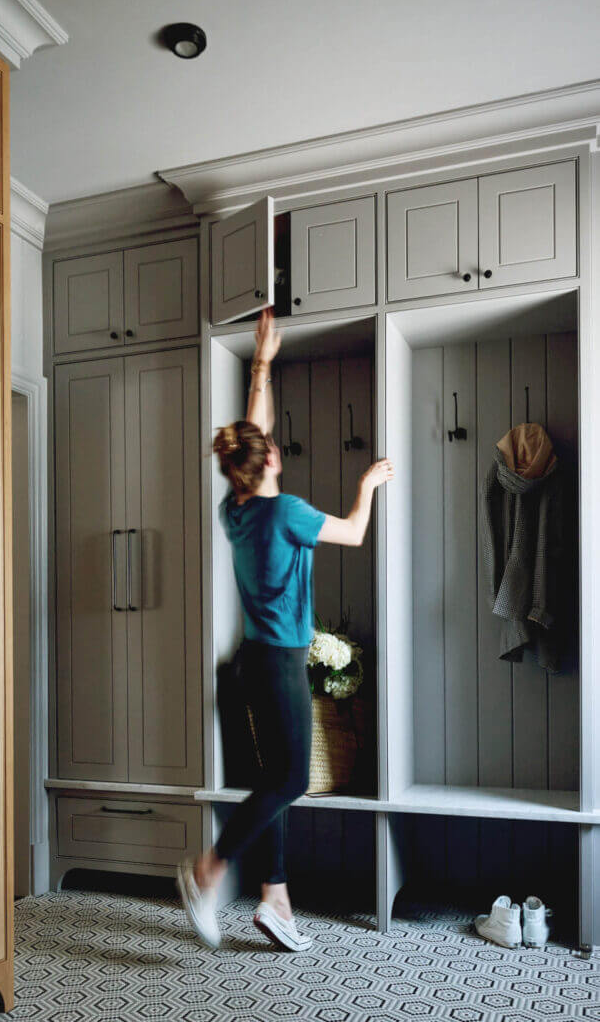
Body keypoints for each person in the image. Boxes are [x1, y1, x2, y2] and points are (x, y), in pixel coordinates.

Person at [177, 307, 394, 952]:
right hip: (277, 662)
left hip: (254, 661)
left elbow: (255, 431)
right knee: (291, 780)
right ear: (270, 459)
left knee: (271, 779)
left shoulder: (237, 509)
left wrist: (263, 361)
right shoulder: (289, 513)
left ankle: (275, 900)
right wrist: (368, 484)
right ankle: (206, 870)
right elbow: (354, 533)